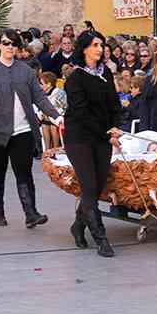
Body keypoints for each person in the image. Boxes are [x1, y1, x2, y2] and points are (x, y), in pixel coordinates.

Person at [0, 29, 63, 227]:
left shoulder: (25, 71)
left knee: (24, 172)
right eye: (6, 43)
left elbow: (39, 97)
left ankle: (31, 213)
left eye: (13, 44)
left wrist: (56, 117)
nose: (10, 47)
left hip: (22, 131)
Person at [64, 30, 122, 257]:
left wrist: (116, 126)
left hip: (103, 137)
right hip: (79, 137)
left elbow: (113, 104)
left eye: (102, 45)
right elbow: (81, 114)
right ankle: (101, 238)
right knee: (88, 187)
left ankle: (78, 226)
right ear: (85, 48)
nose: (100, 49)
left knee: (97, 188)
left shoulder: (105, 72)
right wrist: (107, 133)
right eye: (96, 45)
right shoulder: (75, 78)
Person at [39, 71, 67, 150]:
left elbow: (64, 108)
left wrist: (52, 116)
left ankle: (56, 150)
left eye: (41, 83)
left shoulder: (59, 93)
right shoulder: (41, 94)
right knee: (44, 126)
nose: (40, 86)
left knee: (53, 127)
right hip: (46, 119)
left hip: (59, 120)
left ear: (48, 84)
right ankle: (47, 151)